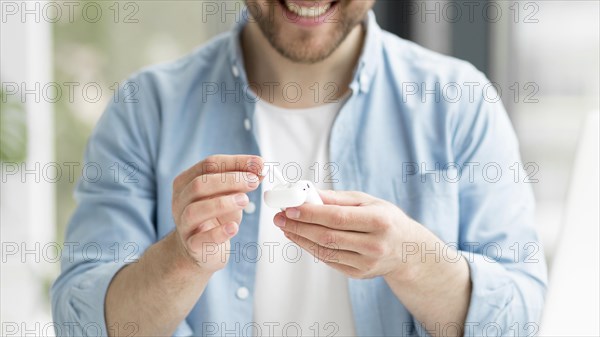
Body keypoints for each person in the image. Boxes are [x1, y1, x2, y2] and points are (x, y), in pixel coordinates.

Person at [51, 1, 547, 336]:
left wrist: (410, 259)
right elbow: (78, 319)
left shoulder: (460, 102)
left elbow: (519, 316)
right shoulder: (147, 108)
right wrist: (181, 260)